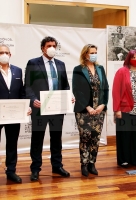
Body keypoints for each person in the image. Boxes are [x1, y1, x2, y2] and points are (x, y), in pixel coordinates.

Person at [24, 36, 70, 181]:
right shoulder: (33, 63)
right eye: (49, 45)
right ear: (43, 47)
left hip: (57, 108)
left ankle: (57, 165)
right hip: (40, 108)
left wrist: (69, 96)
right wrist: (32, 100)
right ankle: (35, 168)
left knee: (56, 138)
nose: (52, 48)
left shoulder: (61, 64)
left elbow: (65, 85)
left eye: (54, 46)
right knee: (37, 139)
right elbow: (28, 85)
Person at [72, 44, 109, 177]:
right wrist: (88, 107)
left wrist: (103, 105)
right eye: (91, 52)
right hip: (83, 109)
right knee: (85, 137)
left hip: (99, 110)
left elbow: (106, 88)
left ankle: (92, 163)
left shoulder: (100, 68)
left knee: (95, 137)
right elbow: (76, 90)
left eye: (95, 52)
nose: (94, 54)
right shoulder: (78, 69)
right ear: (85, 54)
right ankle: (84, 164)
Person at [112, 49, 136, 168]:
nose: (135, 59)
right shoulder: (121, 71)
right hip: (124, 109)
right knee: (124, 135)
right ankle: (123, 160)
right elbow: (116, 91)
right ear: (128, 58)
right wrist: (116, 109)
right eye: (132, 57)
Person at [0, 44, 31, 183]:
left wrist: (26, 106)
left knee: (12, 144)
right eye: (1, 52)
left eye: (6, 52)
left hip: (14, 115)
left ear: (10, 54)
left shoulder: (18, 71)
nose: (4, 54)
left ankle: (11, 171)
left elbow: (22, 92)